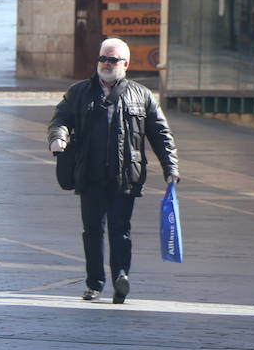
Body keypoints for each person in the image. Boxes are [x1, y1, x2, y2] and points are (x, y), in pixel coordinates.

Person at [48, 37, 179, 304]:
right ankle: (94, 283)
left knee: (121, 230)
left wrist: (171, 166)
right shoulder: (79, 92)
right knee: (92, 231)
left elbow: (161, 134)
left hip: (125, 175)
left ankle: (121, 277)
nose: (106, 64)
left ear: (126, 64)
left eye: (113, 60)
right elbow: (60, 119)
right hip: (90, 173)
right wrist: (58, 137)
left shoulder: (141, 95)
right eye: (103, 59)